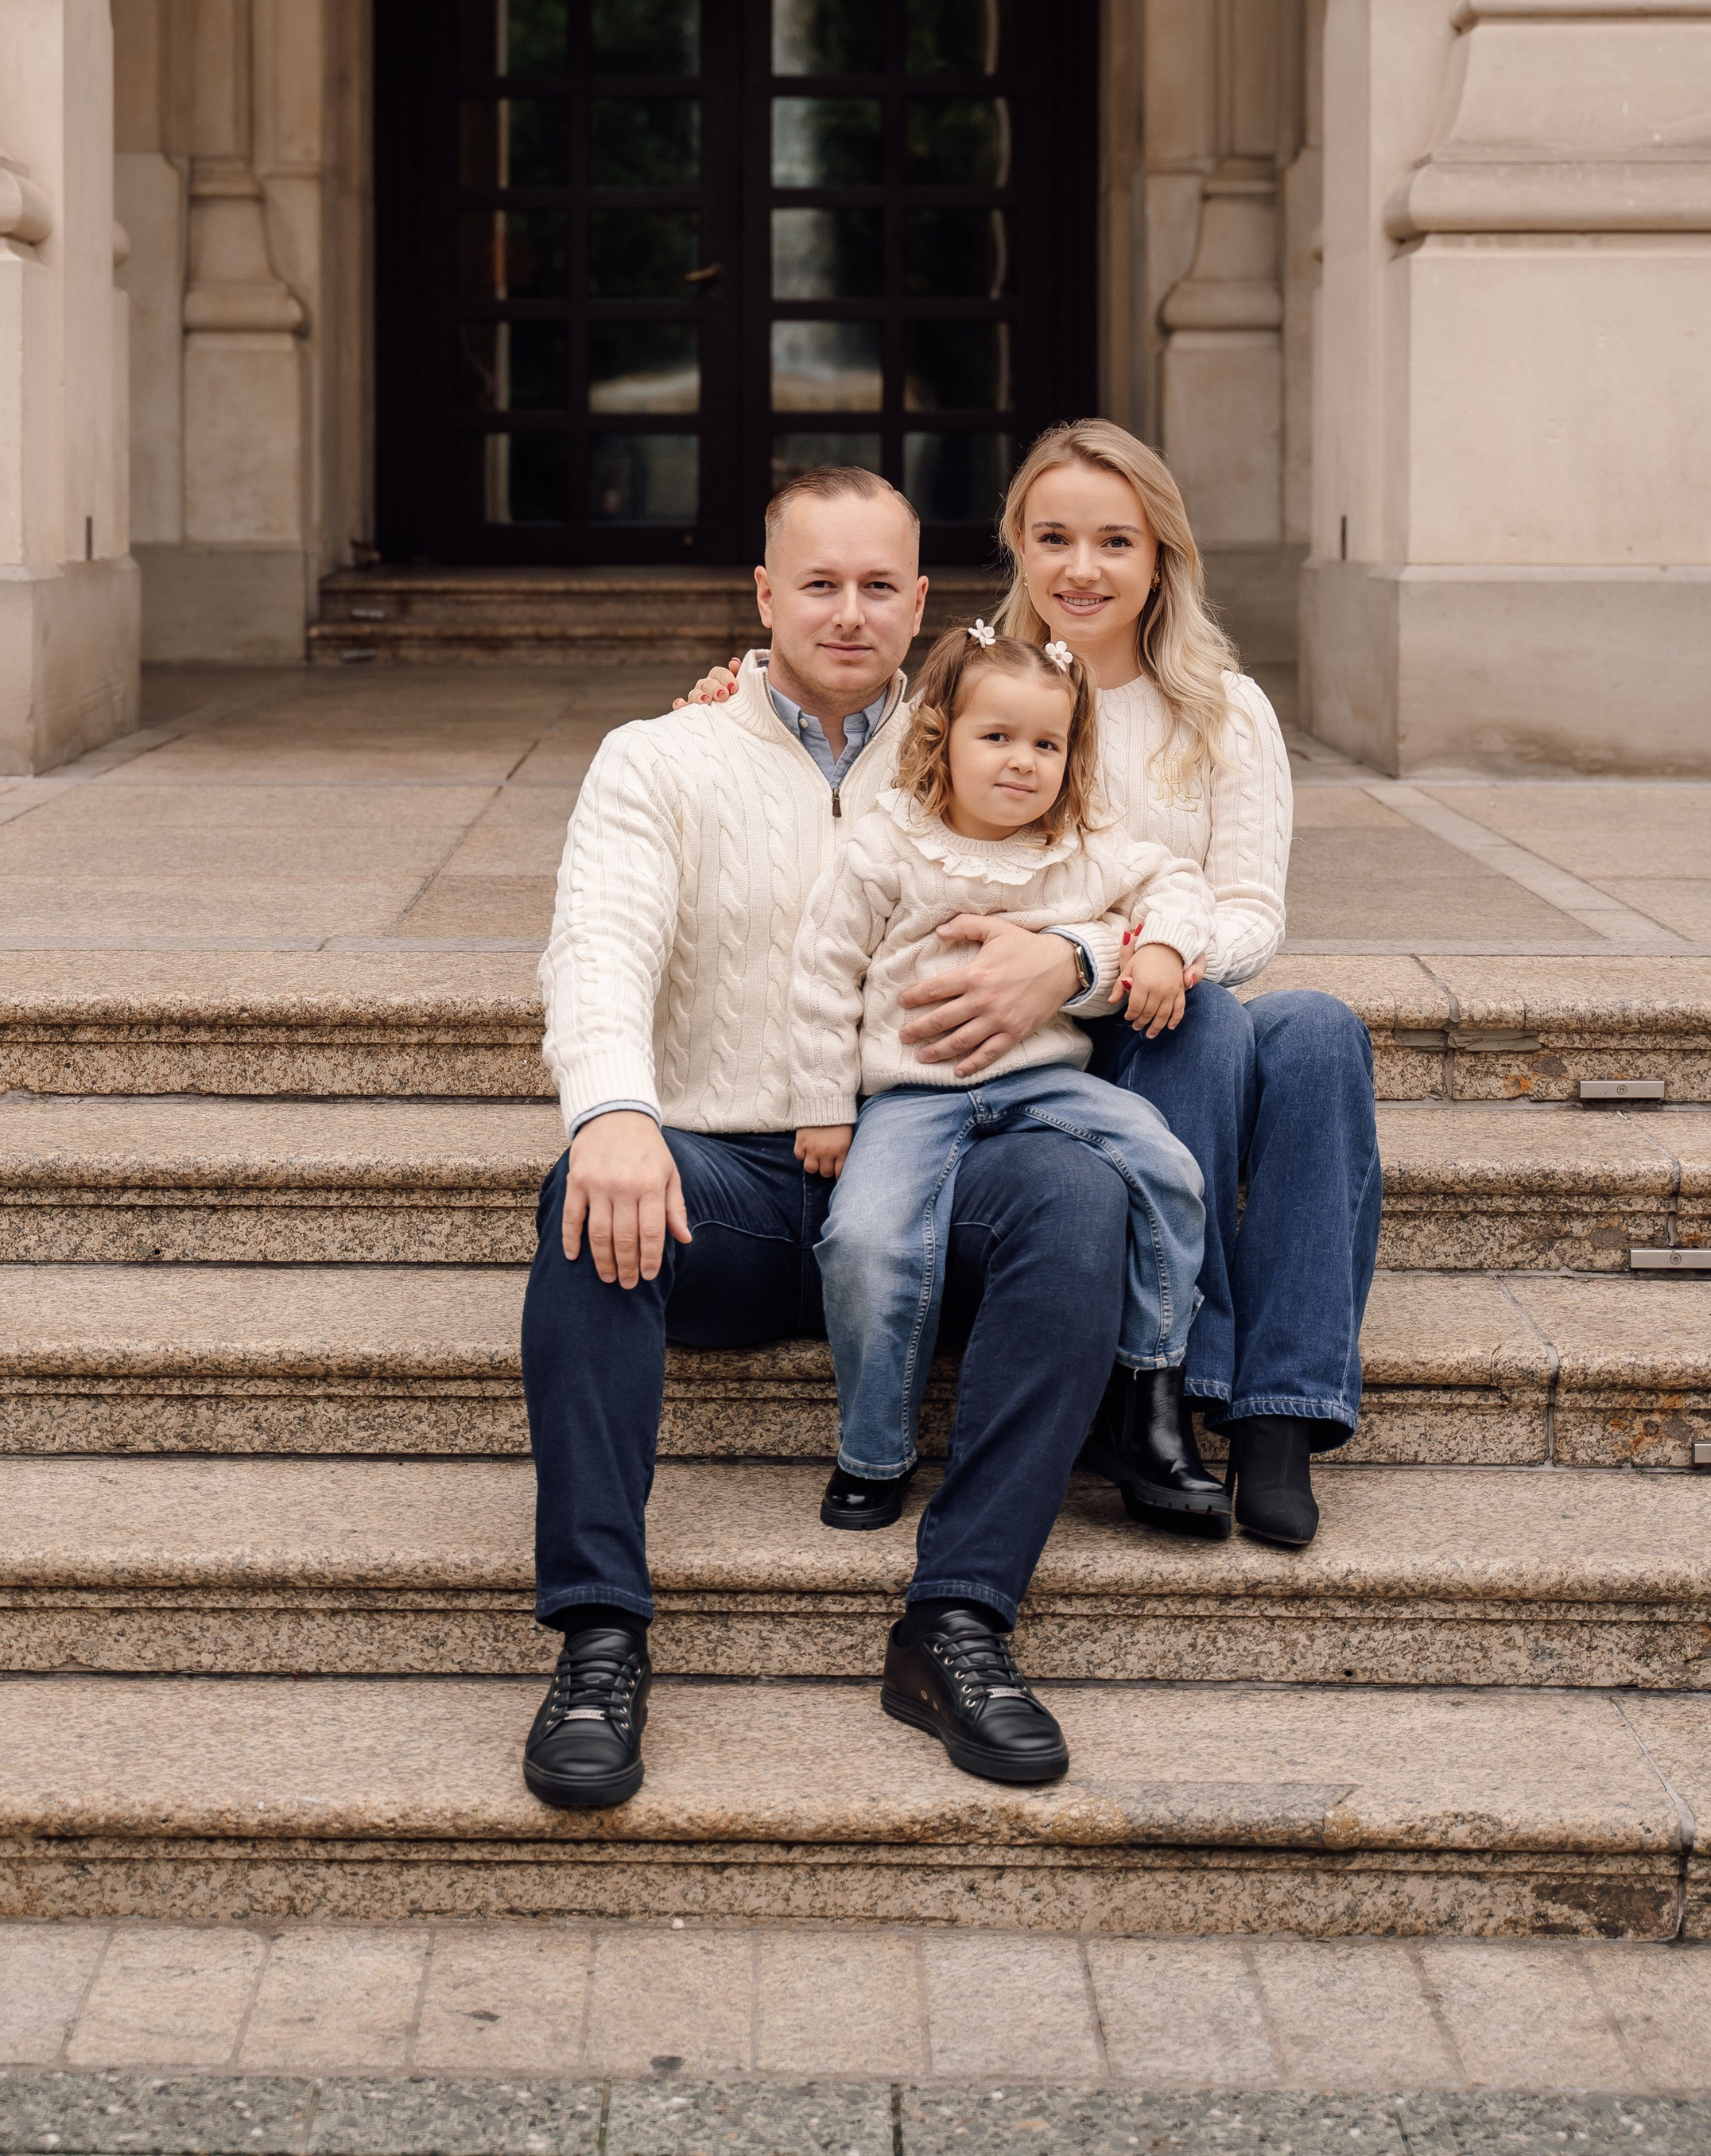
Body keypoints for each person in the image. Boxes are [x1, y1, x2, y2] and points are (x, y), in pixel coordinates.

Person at [522, 465, 1133, 1811]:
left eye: (876, 587)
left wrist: (1076, 956)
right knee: (587, 1189)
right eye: (817, 583)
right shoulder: (662, 756)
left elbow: (1143, 876)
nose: (847, 613)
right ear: (764, 593)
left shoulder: (993, 736)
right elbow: (599, 949)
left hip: (939, 1165)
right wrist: (616, 1113)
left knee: (1081, 1198)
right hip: (736, 1182)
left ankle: (959, 1621)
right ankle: (598, 1638)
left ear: (921, 601)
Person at [992, 418, 1379, 1548]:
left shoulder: (1225, 707)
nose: (1082, 568)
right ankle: (1177, 1377)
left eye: (1115, 540)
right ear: (1017, 543)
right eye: (1054, 536)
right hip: (1064, 1036)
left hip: (1184, 1001)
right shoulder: (986, 695)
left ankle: (1280, 1416)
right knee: (1206, 1025)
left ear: (1160, 556)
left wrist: (1172, 950)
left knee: (1315, 1029)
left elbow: (1252, 910)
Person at [790, 620, 1212, 1540]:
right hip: (910, 1098)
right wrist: (824, 1105)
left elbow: (1176, 880)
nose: (1023, 762)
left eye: (1047, 744)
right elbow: (822, 976)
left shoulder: (1078, 847)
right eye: (997, 737)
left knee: (1168, 1168)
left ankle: (1147, 1372)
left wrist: (1165, 947)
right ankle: (871, 1451)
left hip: (1042, 1087)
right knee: (865, 1240)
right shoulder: (888, 845)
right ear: (941, 737)